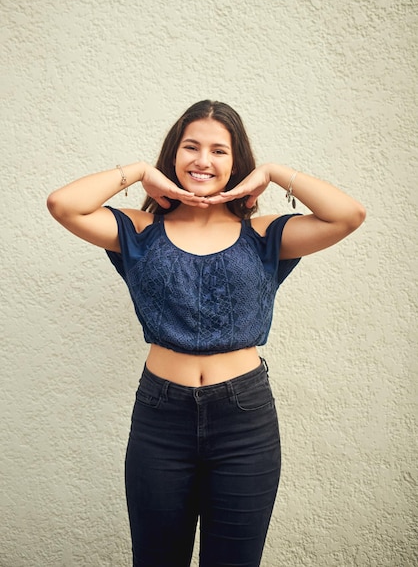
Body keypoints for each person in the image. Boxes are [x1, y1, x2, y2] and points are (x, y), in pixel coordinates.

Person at [47, 100, 366, 567]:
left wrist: (275, 173)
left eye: (220, 150)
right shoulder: (139, 230)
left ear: (236, 163)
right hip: (161, 417)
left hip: (245, 420)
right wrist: (137, 172)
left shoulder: (264, 235)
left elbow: (349, 215)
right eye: (190, 147)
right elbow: (62, 204)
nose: (203, 160)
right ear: (173, 156)